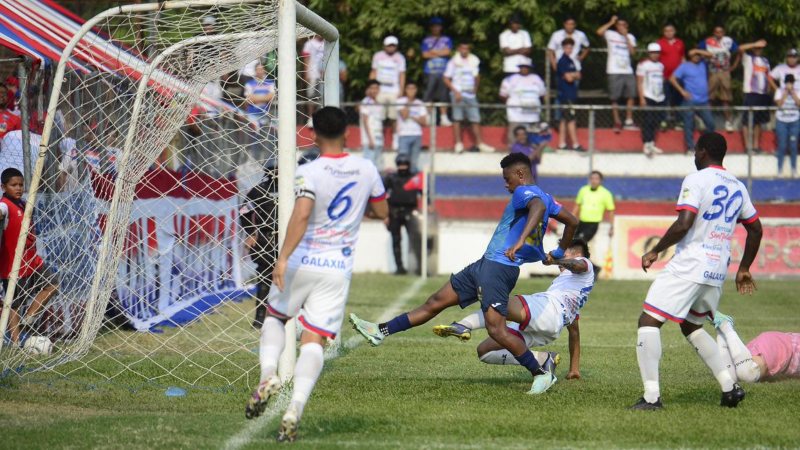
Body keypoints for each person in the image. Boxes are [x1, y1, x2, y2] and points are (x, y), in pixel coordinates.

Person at [350, 152, 579, 395]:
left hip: (499, 270)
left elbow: (538, 207)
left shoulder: (526, 192)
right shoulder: (549, 198)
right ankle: (380, 331)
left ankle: (541, 372)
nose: (505, 184)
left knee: (497, 330)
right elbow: (572, 221)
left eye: (507, 178)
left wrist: (520, 241)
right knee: (435, 302)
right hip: (484, 265)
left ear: (520, 174)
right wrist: (560, 250)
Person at [244, 107, 389, 442]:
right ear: (348, 133)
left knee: (275, 318)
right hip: (337, 268)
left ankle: (268, 375)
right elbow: (382, 210)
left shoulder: (310, 170)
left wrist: (281, 260)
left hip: (303, 260)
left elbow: (302, 215)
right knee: (315, 339)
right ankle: (295, 407)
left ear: (312, 135)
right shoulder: (366, 168)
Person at [631, 132, 763, 410]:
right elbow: (755, 228)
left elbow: (683, 223)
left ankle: (651, 398)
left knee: (648, 321)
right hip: (717, 269)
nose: (694, 155)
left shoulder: (696, 179)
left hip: (690, 264)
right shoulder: (739, 186)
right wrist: (745, 268)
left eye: (695, 150)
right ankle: (730, 387)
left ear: (702, 152)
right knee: (691, 326)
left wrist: (656, 250)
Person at [433, 239, 594, 385]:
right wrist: (574, 369)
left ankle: (463, 325)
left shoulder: (584, 263)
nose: (559, 254)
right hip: (550, 327)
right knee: (485, 351)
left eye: (563, 250)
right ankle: (543, 359)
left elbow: (578, 265)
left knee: (496, 302)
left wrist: (557, 259)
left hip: (547, 309)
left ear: (576, 253)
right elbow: (574, 333)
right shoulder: (573, 289)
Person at [0, 168, 57, 345]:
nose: (18, 188)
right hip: (12, 265)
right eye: (13, 185)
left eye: (21, 185)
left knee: (53, 284)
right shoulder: (4, 205)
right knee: (13, 305)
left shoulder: (24, 203)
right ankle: (16, 343)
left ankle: (30, 317)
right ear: (3, 187)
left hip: (32, 260)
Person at [239, 163, 278, 329]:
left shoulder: (295, 189)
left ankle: (299, 320)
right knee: (265, 279)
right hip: (267, 239)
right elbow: (244, 212)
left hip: (290, 238)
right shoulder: (259, 190)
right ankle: (260, 319)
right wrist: (251, 233)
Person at [712, 312, 800, 383]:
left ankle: (722, 334)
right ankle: (726, 325)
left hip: (776, 343)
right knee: (748, 374)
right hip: (783, 347)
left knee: (730, 377)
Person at [443, 41, 494, 153]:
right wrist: (455, 91)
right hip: (457, 93)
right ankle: (458, 144)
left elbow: (477, 76)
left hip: (470, 94)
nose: (464, 50)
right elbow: (446, 78)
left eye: (466, 48)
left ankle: (480, 143)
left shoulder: (474, 60)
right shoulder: (453, 62)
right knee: (457, 118)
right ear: (459, 49)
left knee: (475, 118)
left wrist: (475, 90)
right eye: (462, 48)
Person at [596, 15, 638, 132]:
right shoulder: (610, 34)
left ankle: (629, 120)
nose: (621, 27)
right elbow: (599, 32)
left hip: (627, 70)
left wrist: (626, 37)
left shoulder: (630, 37)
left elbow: (633, 52)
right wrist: (610, 22)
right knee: (615, 97)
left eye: (624, 25)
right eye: (619, 24)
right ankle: (617, 121)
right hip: (614, 70)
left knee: (631, 95)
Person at [670, 49, 716, 152]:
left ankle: (705, 145)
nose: (697, 56)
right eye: (694, 55)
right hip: (690, 100)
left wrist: (696, 50)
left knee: (710, 123)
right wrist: (682, 91)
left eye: (698, 55)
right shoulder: (684, 66)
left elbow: (711, 55)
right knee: (689, 124)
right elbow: (672, 78)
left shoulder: (703, 64)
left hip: (703, 101)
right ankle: (690, 147)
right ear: (690, 56)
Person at [383, 155, 422, 275]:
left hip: (410, 212)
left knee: (415, 239)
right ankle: (399, 267)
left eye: (405, 164)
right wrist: (385, 215)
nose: (403, 167)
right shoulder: (391, 178)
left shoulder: (414, 178)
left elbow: (424, 193)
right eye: (400, 165)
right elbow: (382, 196)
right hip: (394, 212)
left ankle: (420, 267)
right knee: (396, 240)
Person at [698, 26, 740, 132]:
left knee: (726, 98)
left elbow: (739, 51)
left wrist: (734, 66)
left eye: (720, 32)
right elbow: (698, 51)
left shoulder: (728, 41)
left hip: (725, 72)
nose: (718, 34)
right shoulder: (707, 41)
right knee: (709, 97)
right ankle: (706, 121)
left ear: (723, 32)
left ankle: (728, 122)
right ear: (714, 33)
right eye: (716, 32)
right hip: (712, 72)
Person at [370, 36, 407, 148]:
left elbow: (402, 74)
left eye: (393, 45)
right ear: (384, 46)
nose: (391, 47)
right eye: (389, 45)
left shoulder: (400, 58)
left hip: (394, 90)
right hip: (380, 90)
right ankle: (378, 137)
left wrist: (401, 89)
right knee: (378, 115)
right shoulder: (378, 56)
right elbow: (374, 72)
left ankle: (395, 138)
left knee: (393, 116)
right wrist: (371, 88)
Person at [499, 63, 546, 145]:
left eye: (526, 67)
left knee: (533, 134)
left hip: (532, 114)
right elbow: (503, 95)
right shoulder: (510, 79)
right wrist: (512, 103)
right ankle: (513, 151)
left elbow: (542, 94)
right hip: (516, 113)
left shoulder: (536, 79)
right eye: (522, 67)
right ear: (519, 68)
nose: (524, 69)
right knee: (514, 133)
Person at [739, 40, 771, 153]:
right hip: (751, 93)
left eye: (760, 48)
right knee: (746, 122)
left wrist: (770, 91)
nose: (758, 50)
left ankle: (756, 146)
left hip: (763, 95)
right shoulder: (748, 58)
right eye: (756, 48)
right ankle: (748, 147)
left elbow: (768, 77)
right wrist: (754, 44)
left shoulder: (766, 61)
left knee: (758, 122)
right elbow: (740, 48)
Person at [421, 16, 454, 126]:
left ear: (441, 27)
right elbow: (425, 54)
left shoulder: (446, 39)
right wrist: (440, 52)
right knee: (429, 93)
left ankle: (443, 117)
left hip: (443, 71)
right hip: (429, 70)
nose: (436, 28)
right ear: (431, 28)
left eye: (438, 26)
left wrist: (433, 52)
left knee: (443, 94)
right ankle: (429, 117)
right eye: (434, 26)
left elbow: (447, 52)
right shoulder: (426, 40)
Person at [637, 43, 666, 156]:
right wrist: (641, 98)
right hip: (648, 96)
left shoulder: (660, 65)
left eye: (657, 53)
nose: (655, 55)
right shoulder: (643, 65)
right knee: (647, 121)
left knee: (655, 121)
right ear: (649, 53)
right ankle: (646, 144)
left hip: (659, 97)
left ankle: (652, 143)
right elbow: (639, 82)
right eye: (653, 52)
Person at [572, 171, 615, 244]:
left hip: (593, 224)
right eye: (592, 178)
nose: (594, 181)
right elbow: (577, 205)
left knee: (581, 242)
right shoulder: (583, 190)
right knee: (572, 241)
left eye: (596, 179)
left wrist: (611, 227)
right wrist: (571, 219)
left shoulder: (606, 193)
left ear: (601, 181)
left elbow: (611, 211)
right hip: (581, 222)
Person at [657, 24, 686, 127]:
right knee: (665, 99)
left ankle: (678, 120)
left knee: (677, 99)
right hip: (664, 76)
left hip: (677, 77)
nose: (669, 33)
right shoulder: (659, 43)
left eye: (671, 30)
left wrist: (685, 73)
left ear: (674, 31)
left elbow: (682, 58)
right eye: (666, 31)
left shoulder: (680, 43)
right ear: (663, 32)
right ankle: (664, 120)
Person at [396, 82, 428, 172]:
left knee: (414, 162)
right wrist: (409, 103)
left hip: (417, 135)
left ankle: (413, 183)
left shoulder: (420, 103)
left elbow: (424, 122)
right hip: (404, 134)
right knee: (403, 161)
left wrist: (413, 117)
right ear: (406, 90)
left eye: (413, 89)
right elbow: (405, 116)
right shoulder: (400, 101)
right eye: (409, 89)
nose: (411, 91)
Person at [556, 39, 581, 151]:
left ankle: (562, 143)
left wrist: (573, 75)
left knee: (564, 119)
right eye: (567, 47)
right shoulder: (562, 61)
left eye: (571, 47)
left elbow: (579, 75)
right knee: (571, 118)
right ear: (563, 48)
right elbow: (569, 78)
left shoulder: (571, 60)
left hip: (571, 93)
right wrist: (573, 75)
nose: (569, 49)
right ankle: (575, 144)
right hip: (566, 94)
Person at [773, 74, 800, 178]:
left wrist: (792, 93)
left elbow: (799, 104)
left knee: (793, 146)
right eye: (788, 82)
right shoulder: (779, 91)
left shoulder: (797, 91)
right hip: (782, 121)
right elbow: (779, 104)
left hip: (794, 121)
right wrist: (785, 93)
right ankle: (780, 170)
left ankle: (794, 169)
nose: (789, 84)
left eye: (791, 82)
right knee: (782, 145)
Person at [359, 80, 384, 167]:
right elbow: (365, 121)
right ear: (368, 90)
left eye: (376, 88)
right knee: (369, 165)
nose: (374, 90)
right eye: (372, 88)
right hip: (370, 139)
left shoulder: (378, 103)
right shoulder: (366, 102)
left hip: (379, 138)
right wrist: (370, 139)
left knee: (378, 165)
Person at [302, 35, 325, 124]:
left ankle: (322, 116)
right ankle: (311, 118)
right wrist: (306, 73)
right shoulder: (309, 43)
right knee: (311, 96)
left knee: (323, 96)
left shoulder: (327, 43)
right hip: (313, 74)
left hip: (324, 75)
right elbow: (306, 60)